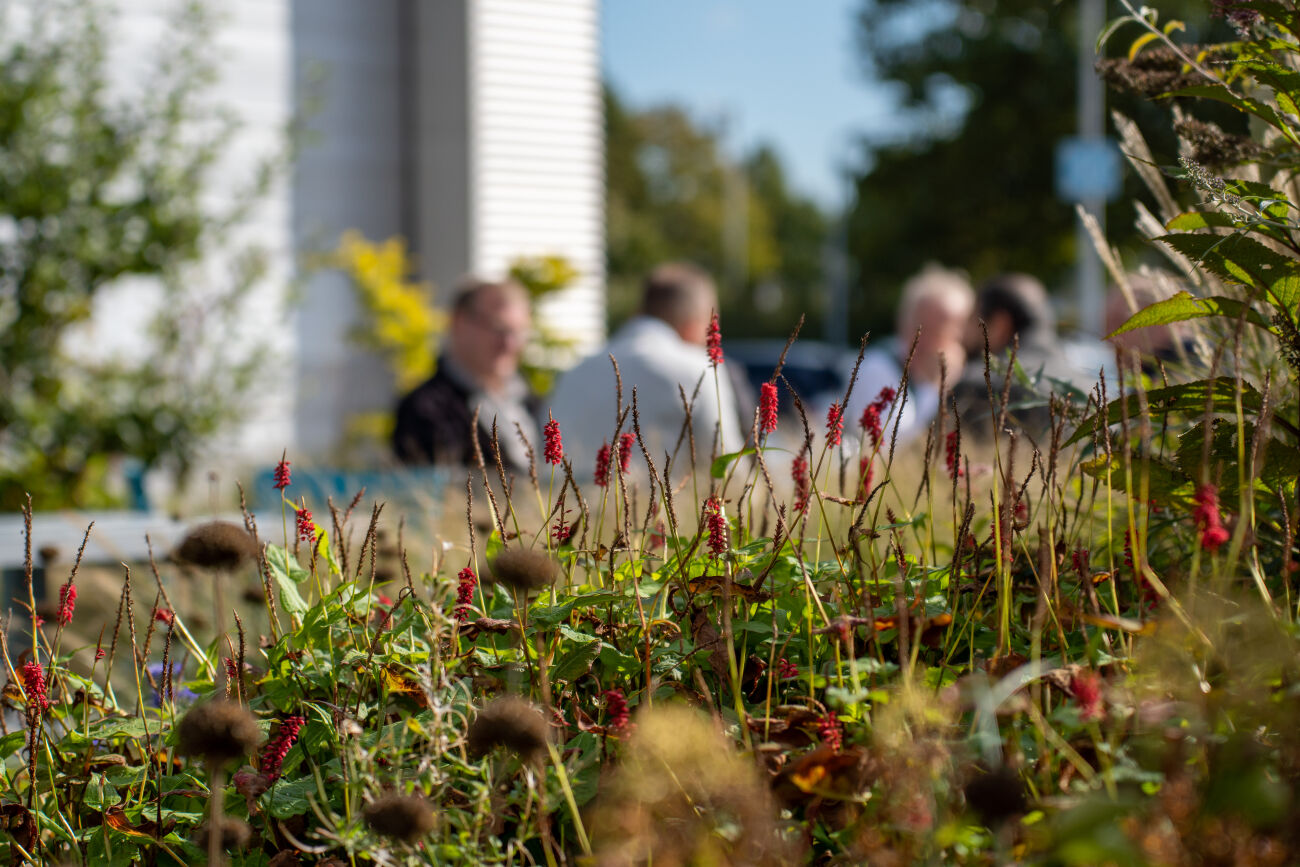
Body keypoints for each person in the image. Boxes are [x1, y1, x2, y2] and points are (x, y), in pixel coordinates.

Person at [547, 262, 744, 479]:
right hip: (653, 499)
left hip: (562, 500)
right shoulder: (698, 369)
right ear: (695, 324)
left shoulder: (573, 372)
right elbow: (729, 471)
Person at [391, 277, 539, 473]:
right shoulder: (424, 410)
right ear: (459, 324)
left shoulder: (532, 404)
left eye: (518, 332)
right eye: (499, 329)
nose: (509, 344)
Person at [831, 265, 974, 447]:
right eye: (923, 326)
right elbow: (890, 445)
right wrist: (938, 386)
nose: (925, 340)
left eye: (941, 331)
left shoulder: (940, 373)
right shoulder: (876, 367)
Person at [954, 273, 1086, 435]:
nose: (962, 334)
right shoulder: (1093, 391)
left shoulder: (978, 388)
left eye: (971, 320)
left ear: (1000, 325)